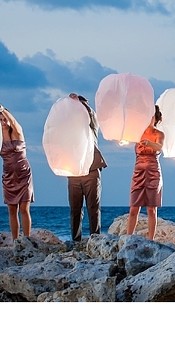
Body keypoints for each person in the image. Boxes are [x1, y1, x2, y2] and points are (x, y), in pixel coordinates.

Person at [0, 99, 34, 241]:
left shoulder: (18, 133)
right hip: (8, 176)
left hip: (23, 175)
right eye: (1, 119)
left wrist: (0, 108)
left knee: (24, 209)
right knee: (11, 210)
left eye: (5, 118)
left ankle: (27, 240)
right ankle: (15, 241)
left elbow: (13, 122)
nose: (4, 121)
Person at [67, 93, 107, 242]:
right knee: (75, 209)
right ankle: (75, 240)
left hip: (91, 171)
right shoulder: (70, 130)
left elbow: (91, 115)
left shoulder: (91, 126)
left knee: (93, 208)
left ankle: (95, 240)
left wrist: (81, 103)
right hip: (74, 172)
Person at [127, 105, 165, 239]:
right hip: (138, 173)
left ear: (156, 117)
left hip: (153, 173)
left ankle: (151, 240)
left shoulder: (159, 134)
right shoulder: (137, 133)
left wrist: (149, 143)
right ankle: (128, 238)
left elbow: (159, 147)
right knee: (133, 208)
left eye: (152, 115)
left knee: (151, 209)